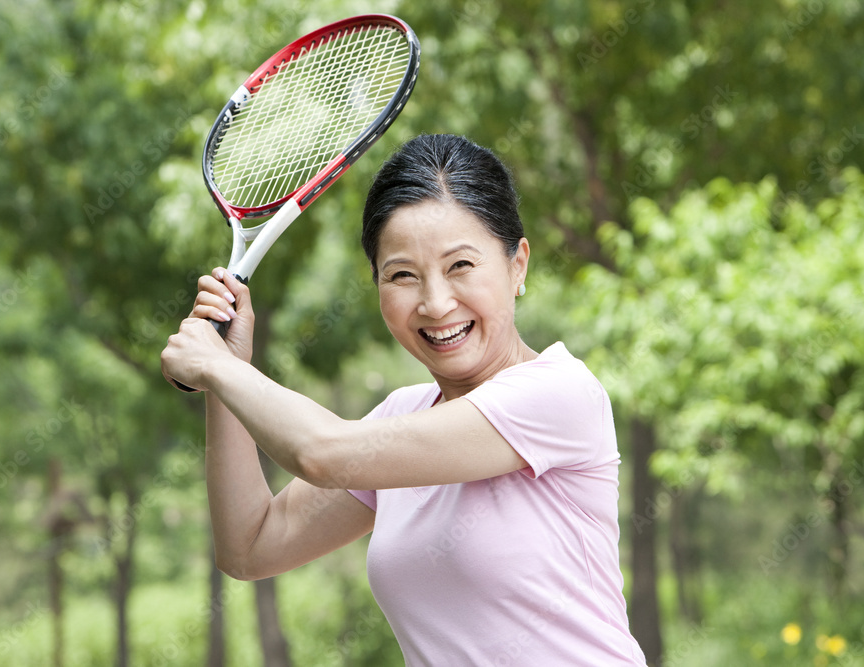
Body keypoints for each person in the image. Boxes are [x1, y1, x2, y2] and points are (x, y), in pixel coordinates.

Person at [161, 134, 646, 666]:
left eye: (461, 266)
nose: (436, 303)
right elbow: (251, 546)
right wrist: (229, 370)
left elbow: (323, 452)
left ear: (517, 265)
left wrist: (217, 366)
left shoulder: (558, 395)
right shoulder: (403, 416)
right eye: (402, 276)